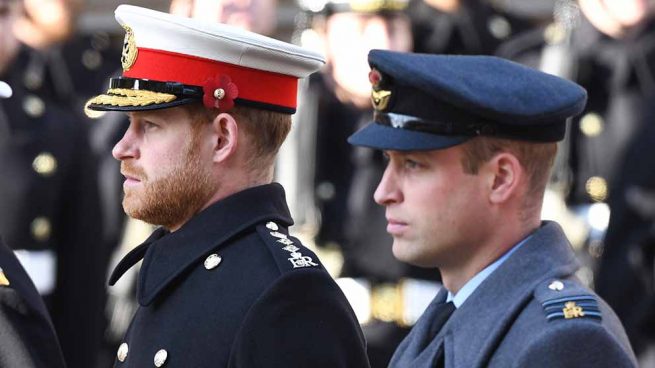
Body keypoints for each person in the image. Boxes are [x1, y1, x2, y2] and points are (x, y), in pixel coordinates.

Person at [85, 5, 369, 367]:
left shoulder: (288, 299)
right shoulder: (179, 265)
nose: (121, 147)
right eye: (129, 125)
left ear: (221, 139)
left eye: (150, 126)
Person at [347, 49, 638, 367]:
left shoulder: (565, 343)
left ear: (500, 179)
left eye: (414, 165)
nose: (383, 192)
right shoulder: (448, 317)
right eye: (390, 162)